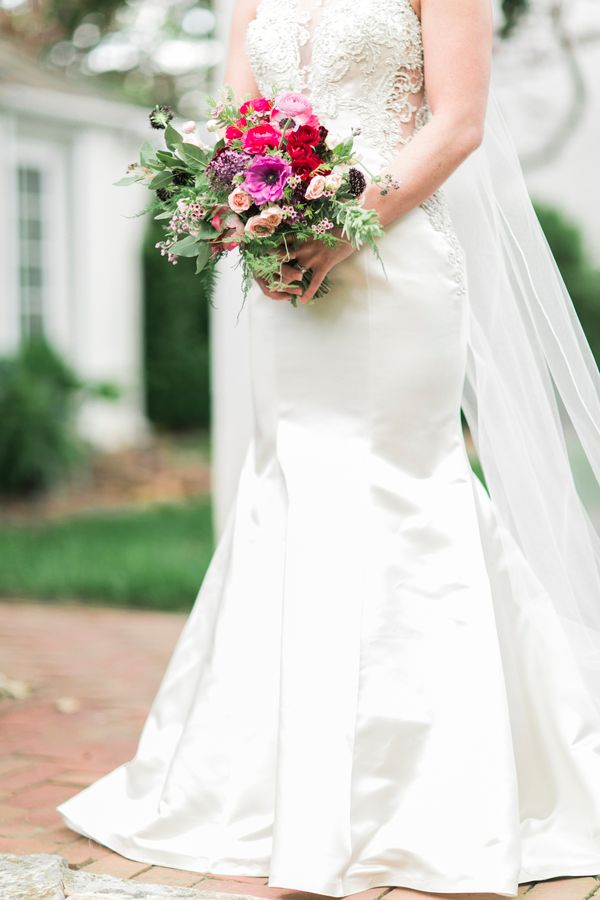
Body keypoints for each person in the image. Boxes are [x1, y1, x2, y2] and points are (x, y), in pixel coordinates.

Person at [57, 1, 600, 897]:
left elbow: (458, 123)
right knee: (291, 487)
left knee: (404, 490)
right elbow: (239, 120)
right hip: (284, 286)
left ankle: (439, 792)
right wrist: (236, 214)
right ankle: (274, 791)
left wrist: (341, 228)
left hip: (396, 268)